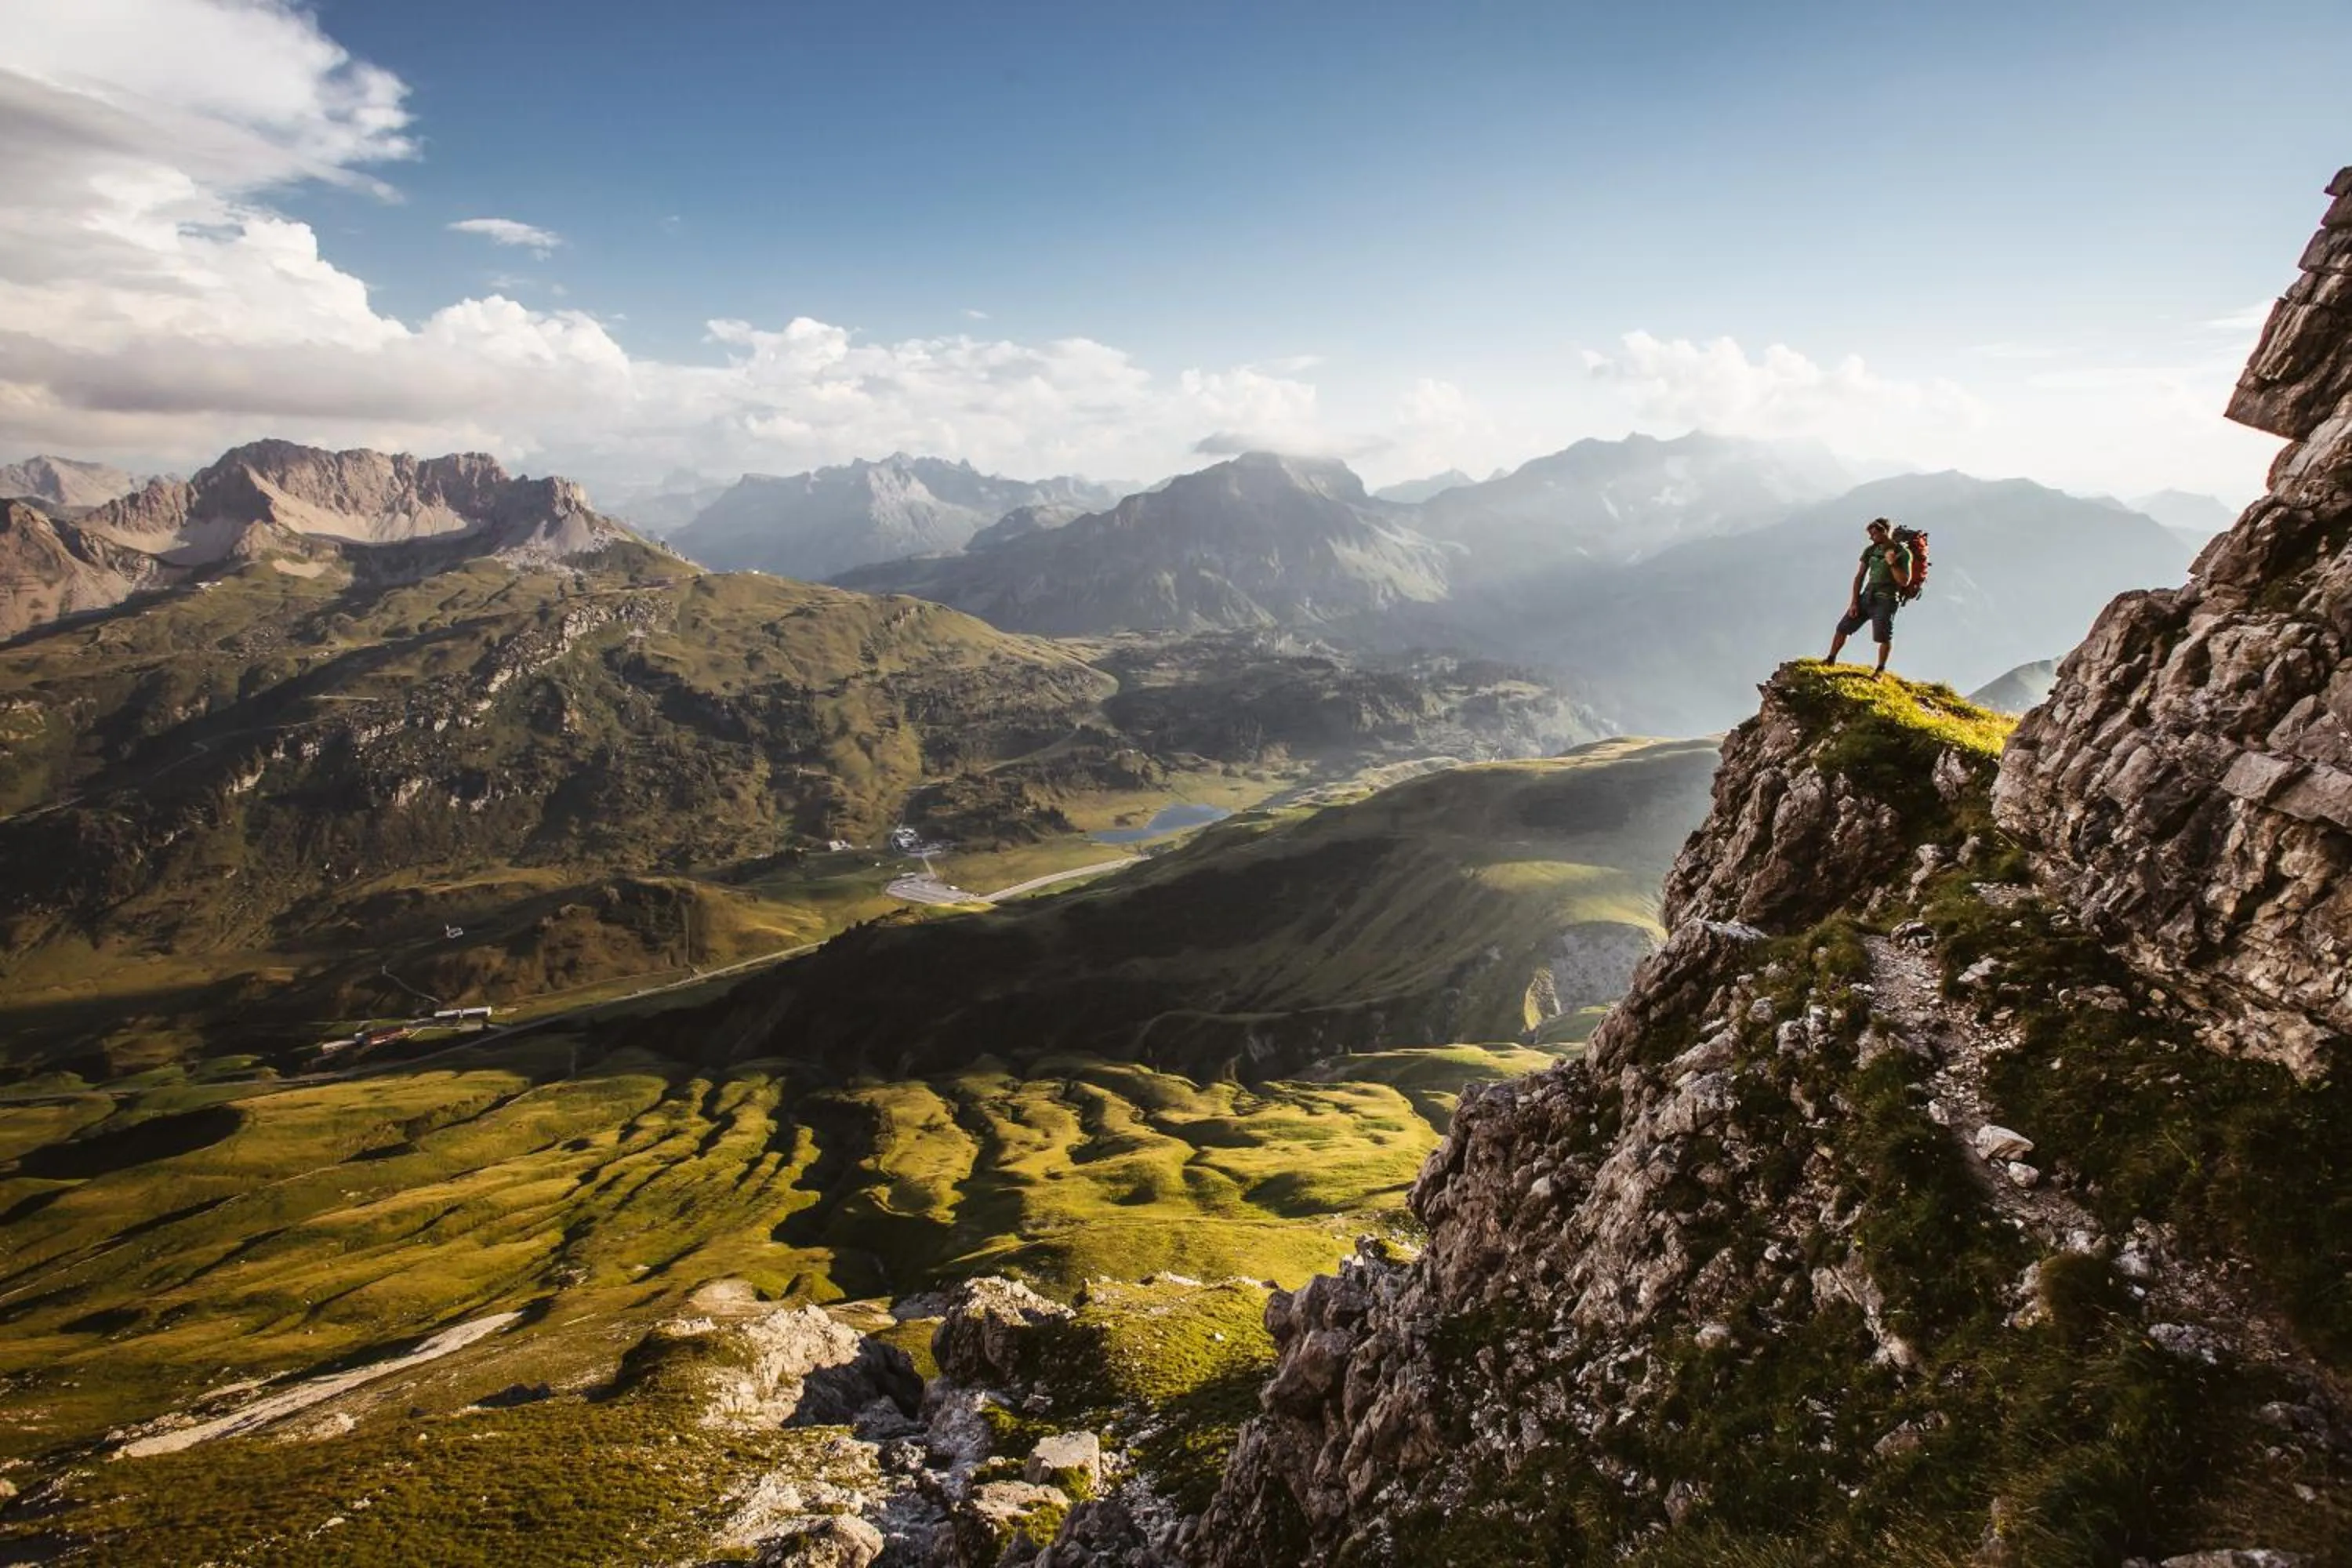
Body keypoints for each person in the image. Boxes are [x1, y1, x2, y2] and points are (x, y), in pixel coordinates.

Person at [1826, 517, 1913, 673]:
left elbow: (1905, 581)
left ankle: (1880, 670)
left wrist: (1892, 563)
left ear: (1884, 532)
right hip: (1867, 596)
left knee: (1883, 637)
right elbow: (1860, 576)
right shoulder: (1871, 551)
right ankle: (1830, 659)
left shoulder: (1902, 553)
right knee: (1842, 628)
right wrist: (1854, 602)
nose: (1871, 537)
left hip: (1887, 600)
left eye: (1873, 534)